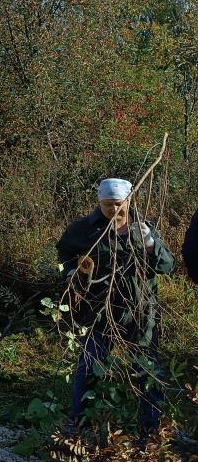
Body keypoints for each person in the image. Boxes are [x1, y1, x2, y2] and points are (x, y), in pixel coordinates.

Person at [56, 178, 175, 434]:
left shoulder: (142, 229)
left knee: (146, 371)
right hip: (99, 311)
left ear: (129, 201)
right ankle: (79, 425)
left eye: (118, 204)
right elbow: (64, 251)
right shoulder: (85, 229)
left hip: (140, 313)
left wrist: (151, 245)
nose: (113, 210)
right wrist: (70, 272)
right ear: (99, 203)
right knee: (89, 367)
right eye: (107, 205)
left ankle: (150, 430)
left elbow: (167, 266)